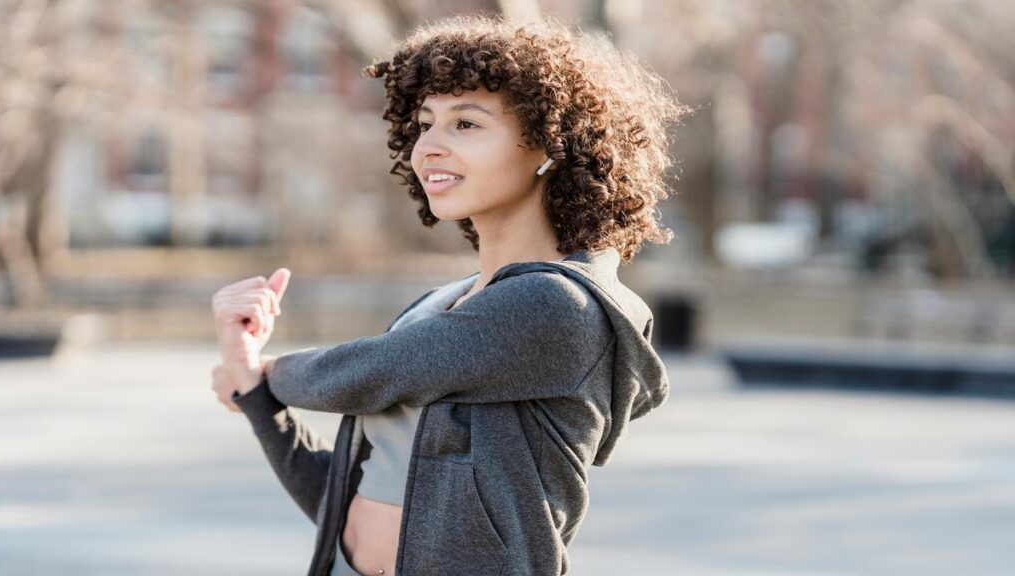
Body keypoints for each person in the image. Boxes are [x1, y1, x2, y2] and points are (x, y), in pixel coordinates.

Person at [210, 14, 688, 576]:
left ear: (548, 145)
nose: (428, 147)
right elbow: (348, 505)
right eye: (424, 123)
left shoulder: (557, 307)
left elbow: (373, 369)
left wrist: (264, 376)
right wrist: (259, 400)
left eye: (466, 124)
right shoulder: (437, 307)